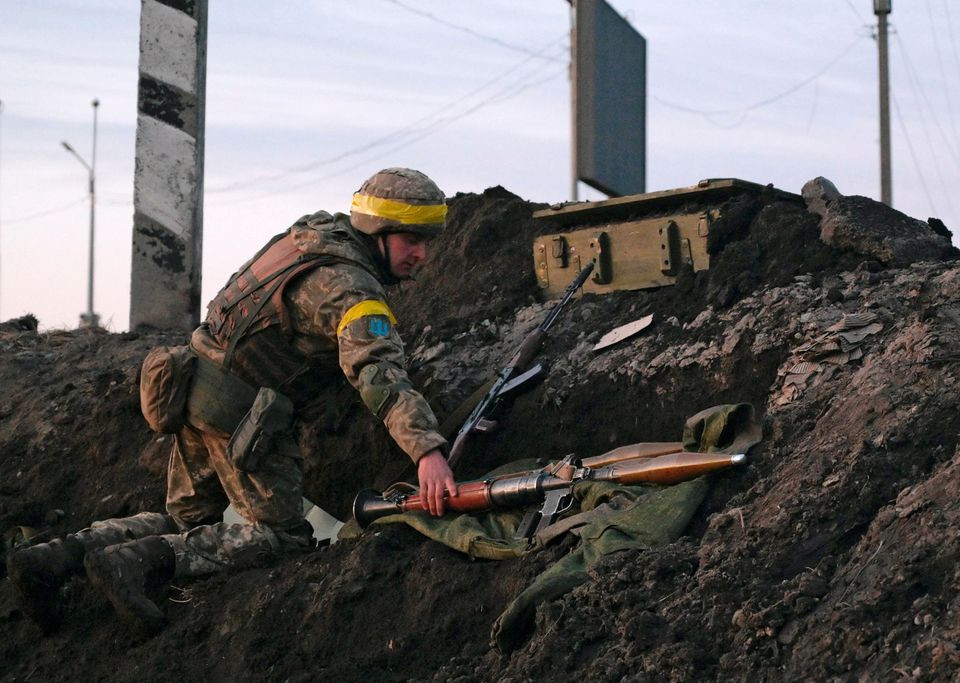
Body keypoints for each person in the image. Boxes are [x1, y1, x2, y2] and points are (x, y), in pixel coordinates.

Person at [7, 167, 458, 634]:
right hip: (239, 417)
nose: (422, 254)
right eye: (410, 240)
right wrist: (426, 452)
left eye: (427, 241)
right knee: (282, 536)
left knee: (187, 520)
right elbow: (377, 374)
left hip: (190, 383)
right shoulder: (351, 291)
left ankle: (52, 559)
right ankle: (133, 562)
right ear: (377, 232)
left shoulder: (309, 237)